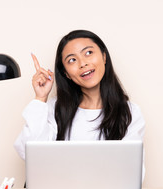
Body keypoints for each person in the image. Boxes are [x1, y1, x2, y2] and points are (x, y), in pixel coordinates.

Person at [14, 30, 145, 161]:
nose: (83, 64)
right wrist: (40, 98)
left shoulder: (130, 112)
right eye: (72, 60)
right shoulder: (54, 109)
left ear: (104, 57)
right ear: (66, 73)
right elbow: (31, 155)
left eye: (88, 53)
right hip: (61, 182)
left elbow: (132, 171)